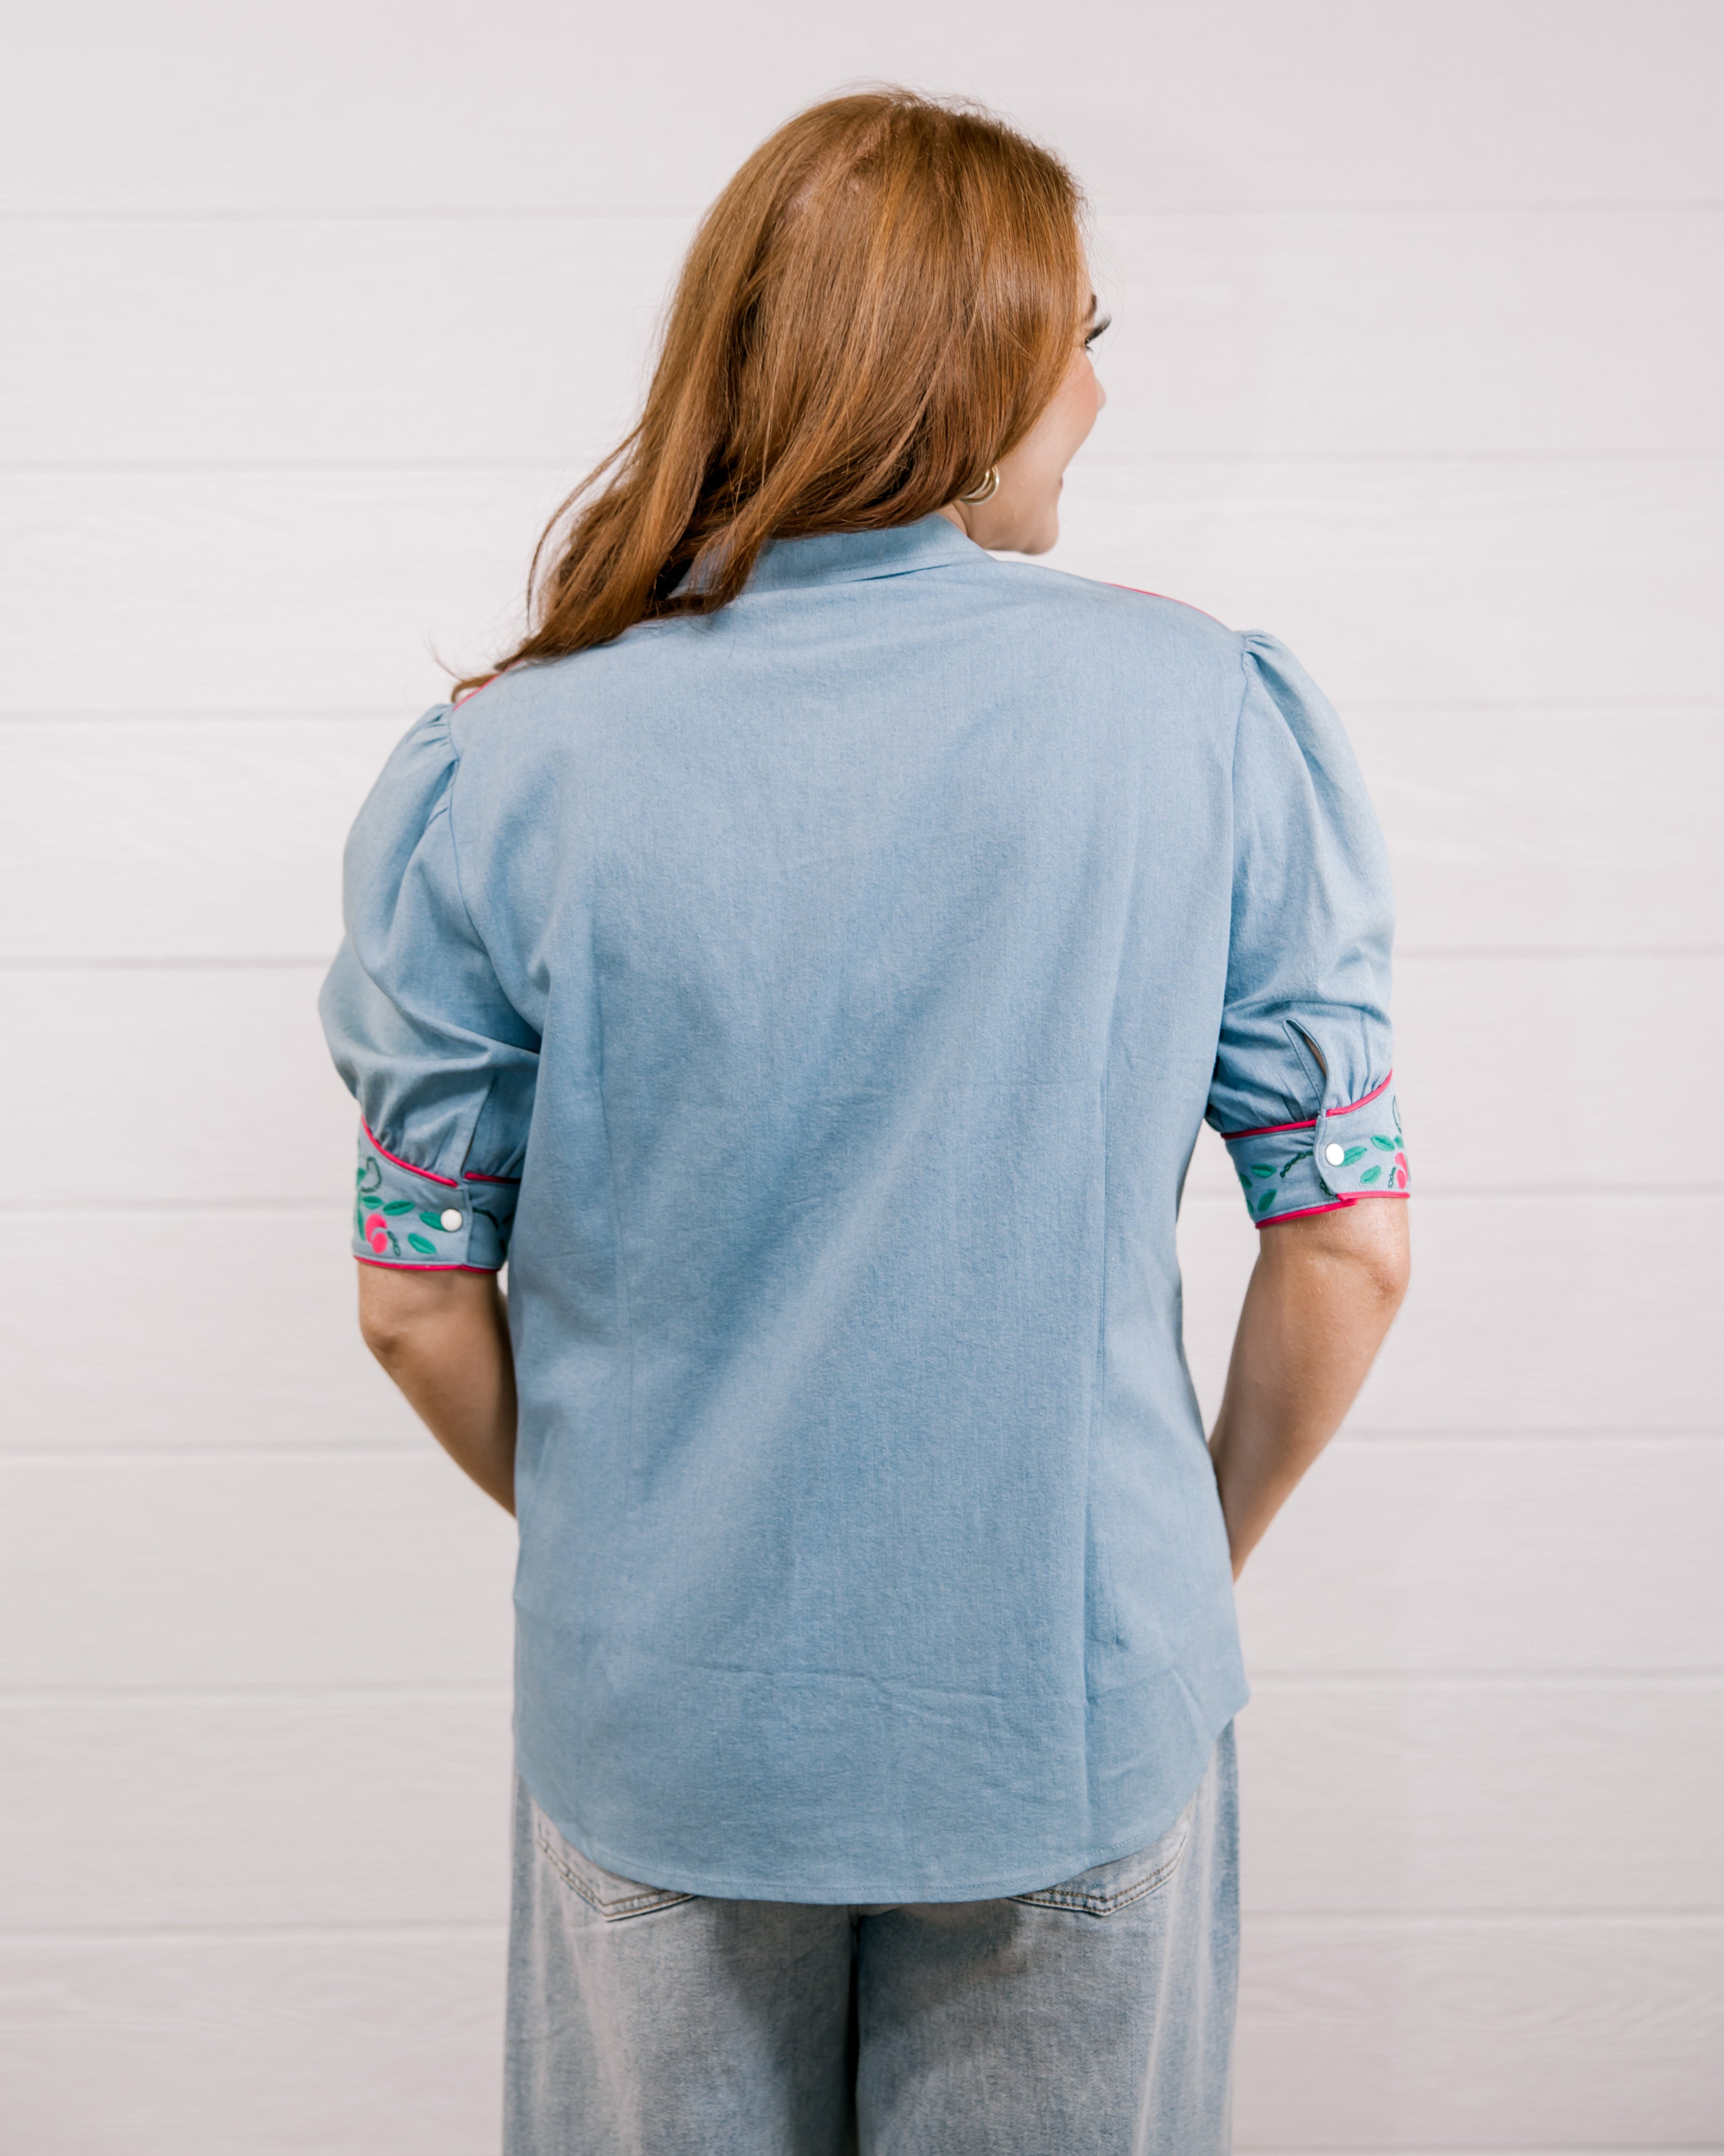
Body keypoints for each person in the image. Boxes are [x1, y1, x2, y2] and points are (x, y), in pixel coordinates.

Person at [320, 88, 1410, 2156]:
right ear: (989, 357)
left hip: (658, 1719)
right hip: (1075, 1701)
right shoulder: (1209, 717)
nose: (1096, 390)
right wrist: (1171, 1560)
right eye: (1084, 334)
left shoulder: (498, 765)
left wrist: (641, 1545)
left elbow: (407, 1298)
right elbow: (1344, 1238)